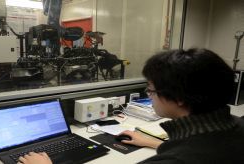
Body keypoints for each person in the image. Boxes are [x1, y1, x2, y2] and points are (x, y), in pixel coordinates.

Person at [18, 48, 244, 164]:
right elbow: (202, 147)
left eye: (151, 89)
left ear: (180, 98)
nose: (149, 94)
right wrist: (156, 143)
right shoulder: (236, 126)